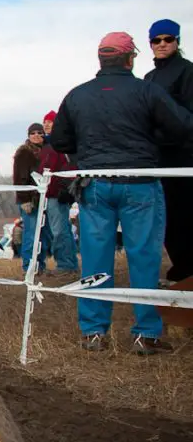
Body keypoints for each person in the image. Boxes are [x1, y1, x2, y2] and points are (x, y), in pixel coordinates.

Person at [50, 31, 193, 354]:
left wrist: (88, 147)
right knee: (144, 257)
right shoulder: (147, 91)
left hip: (95, 184)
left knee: (96, 260)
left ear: (101, 59)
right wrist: (151, 136)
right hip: (140, 182)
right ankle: (146, 334)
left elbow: (59, 140)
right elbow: (184, 127)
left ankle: (93, 333)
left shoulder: (77, 95)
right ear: (131, 59)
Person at [143, 18, 193, 283]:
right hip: (157, 158)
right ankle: (180, 267)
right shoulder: (149, 78)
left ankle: (186, 270)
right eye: (156, 40)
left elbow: (188, 117)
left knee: (185, 214)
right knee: (166, 217)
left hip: (183, 155)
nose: (162, 44)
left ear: (177, 41)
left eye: (168, 39)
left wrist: (162, 133)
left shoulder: (187, 72)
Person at [37, 119, 79, 274]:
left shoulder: (63, 143)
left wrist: (64, 187)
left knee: (60, 230)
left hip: (57, 194)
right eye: (45, 122)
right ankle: (68, 263)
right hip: (45, 194)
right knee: (57, 230)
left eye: (51, 122)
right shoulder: (46, 146)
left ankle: (66, 264)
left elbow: (71, 166)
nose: (46, 125)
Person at [13, 123, 49, 275]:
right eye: (32, 133)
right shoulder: (24, 152)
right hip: (30, 199)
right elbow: (19, 177)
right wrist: (24, 199)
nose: (36, 135)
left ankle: (40, 265)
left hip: (46, 198)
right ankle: (28, 266)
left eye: (39, 132)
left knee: (44, 235)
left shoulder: (47, 151)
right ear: (28, 135)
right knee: (31, 233)